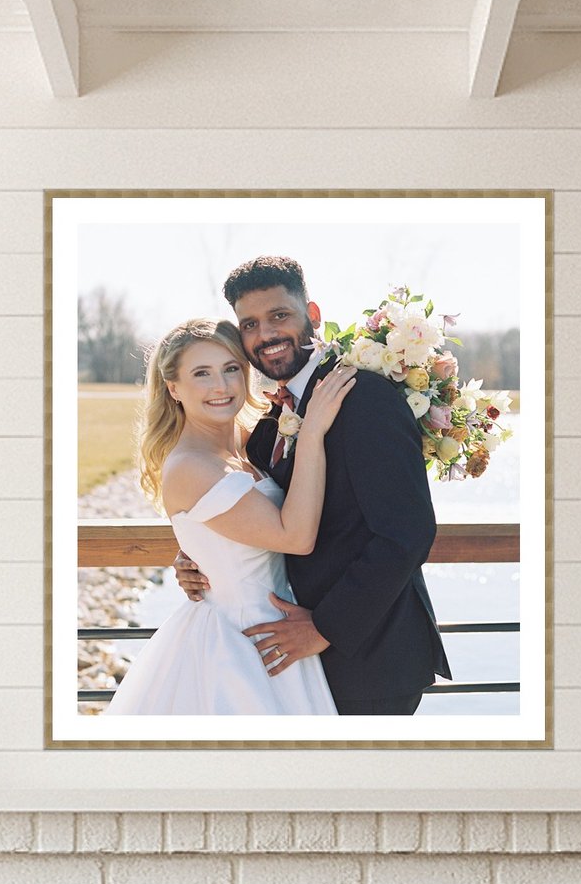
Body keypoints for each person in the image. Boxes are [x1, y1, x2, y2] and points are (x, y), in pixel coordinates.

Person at [176, 255, 453, 716]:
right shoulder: (273, 418)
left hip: (369, 662)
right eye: (250, 324)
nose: (266, 334)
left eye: (279, 315)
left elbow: (407, 534)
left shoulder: (363, 397)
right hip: (298, 663)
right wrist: (203, 554)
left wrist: (325, 628)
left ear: (313, 316)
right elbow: (256, 512)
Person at [103, 319, 357, 717]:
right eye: (201, 374)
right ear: (173, 388)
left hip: (281, 634)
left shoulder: (247, 440)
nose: (221, 386)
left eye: (231, 368)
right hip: (237, 644)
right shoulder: (190, 466)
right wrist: (312, 432)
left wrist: (197, 555)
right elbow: (295, 537)